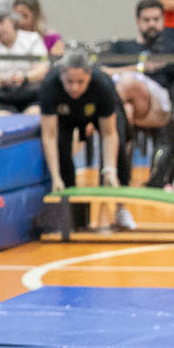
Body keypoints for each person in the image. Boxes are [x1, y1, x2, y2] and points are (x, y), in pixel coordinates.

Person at [38, 49, 134, 231]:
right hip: (66, 117)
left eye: (80, 82)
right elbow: (49, 135)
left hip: (98, 113)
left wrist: (110, 169)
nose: (74, 88)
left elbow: (109, 133)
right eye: (69, 81)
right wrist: (55, 176)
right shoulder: (50, 84)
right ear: (61, 74)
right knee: (61, 149)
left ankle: (121, 208)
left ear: (89, 75)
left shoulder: (102, 84)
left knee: (119, 148)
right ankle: (73, 214)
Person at [105, 0, 174, 142]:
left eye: (156, 19)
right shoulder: (122, 47)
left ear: (163, 20)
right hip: (129, 101)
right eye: (146, 20)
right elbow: (103, 71)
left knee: (128, 82)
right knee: (127, 109)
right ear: (138, 21)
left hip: (159, 107)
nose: (151, 24)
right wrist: (138, 68)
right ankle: (121, 155)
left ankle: (101, 111)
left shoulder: (171, 49)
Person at [0, 0, 48, 112]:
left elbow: (42, 69)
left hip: (31, 95)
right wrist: (2, 82)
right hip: (2, 98)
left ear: (12, 20)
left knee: (34, 113)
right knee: (1, 116)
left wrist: (24, 77)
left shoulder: (32, 39)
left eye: (1, 22)